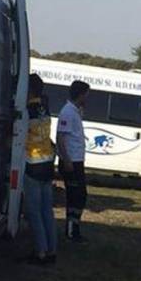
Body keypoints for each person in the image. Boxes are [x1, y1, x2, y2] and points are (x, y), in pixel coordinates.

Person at [23, 74, 57, 265]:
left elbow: (20, 134)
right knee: (47, 211)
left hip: (33, 163)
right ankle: (52, 250)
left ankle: (40, 252)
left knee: (34, 212)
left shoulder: (28, 111)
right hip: (48, 163)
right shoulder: (45, 108)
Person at [56, 80, 90, 242]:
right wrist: (66, 159)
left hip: (77, 160)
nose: (87, 98)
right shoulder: (68, 112)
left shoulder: (75, 111)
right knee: (75, 195)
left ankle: (75, 227)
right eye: (86, 94)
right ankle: (71, 229)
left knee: (80, 195)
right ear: (81, 94)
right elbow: (61, 137)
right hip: (71, 161)